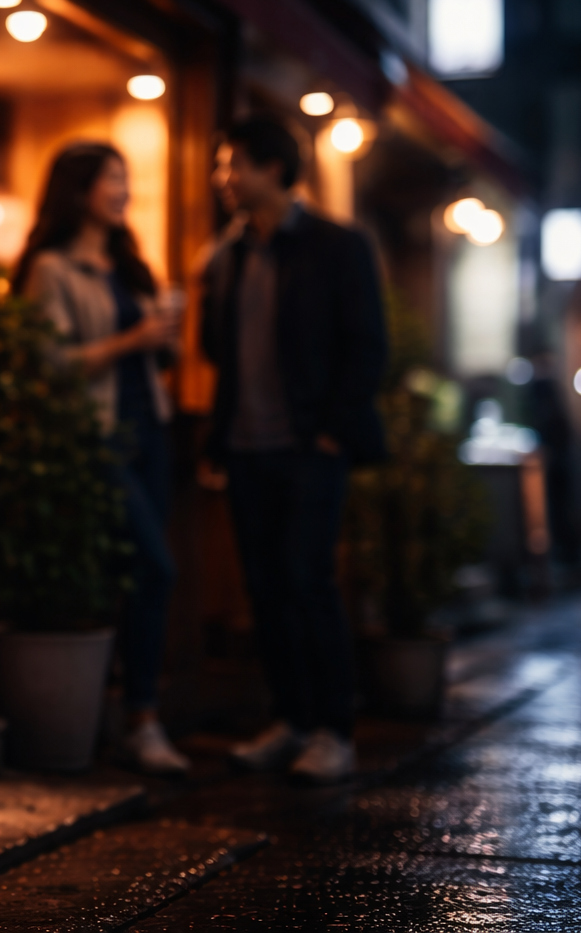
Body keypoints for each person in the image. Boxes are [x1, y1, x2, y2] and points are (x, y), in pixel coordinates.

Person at [202, 117, 388, 784]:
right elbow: (214, 349)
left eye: (235, 165)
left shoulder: (338, 246)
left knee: (308, 582)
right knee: (265, 587)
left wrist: (332, 430)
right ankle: (290, 719)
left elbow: (368, 345)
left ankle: (335, 730)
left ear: (274, 171)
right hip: (248, 448)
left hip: (311, 447)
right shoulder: (228, 255)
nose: (224, 179)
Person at [15, 142, 188, 776]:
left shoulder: (126, 265)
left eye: (125, 178)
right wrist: (133, 338)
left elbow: (153, 358)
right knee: (155, 567)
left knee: (144, 578)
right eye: (113, 178)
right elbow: (48, 361)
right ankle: (139, 717)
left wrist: (163, 340)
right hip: (98, 439)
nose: (124, 190)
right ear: (79, 188)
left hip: (153, 433)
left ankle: (132, 716)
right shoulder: (51, 269)